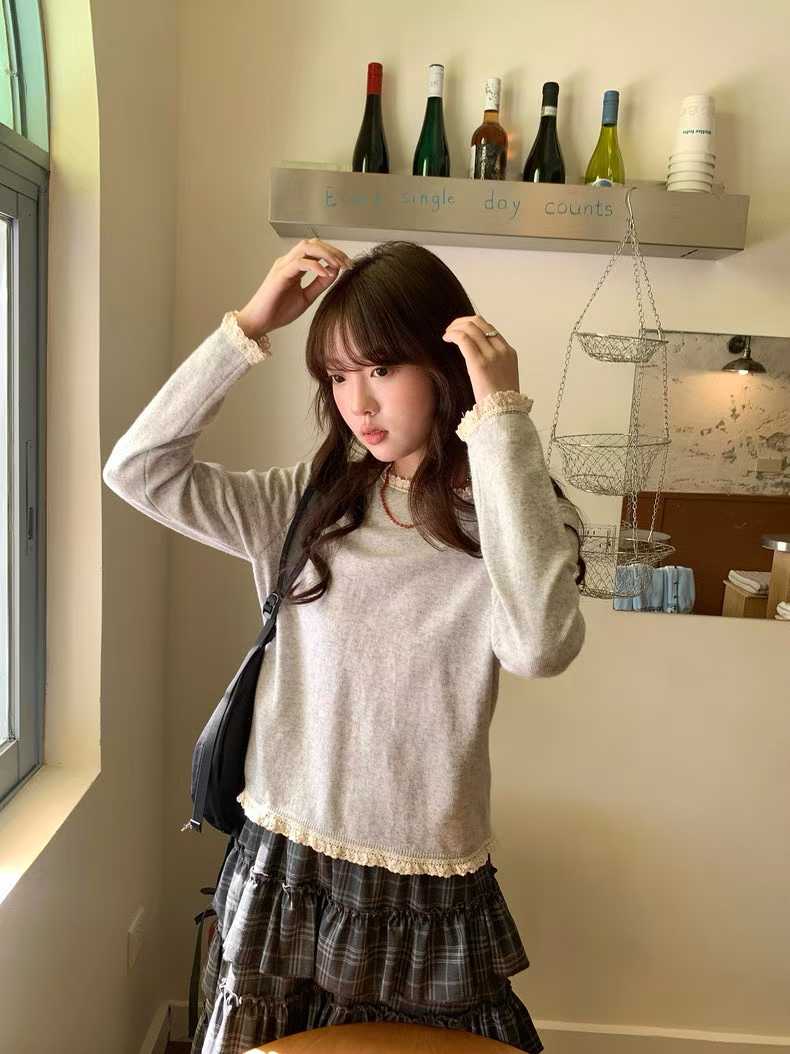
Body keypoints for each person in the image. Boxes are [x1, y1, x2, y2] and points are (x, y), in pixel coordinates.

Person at [102, 237, 588, 1054]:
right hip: (283, 860)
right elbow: (137, 470)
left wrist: (502, 418)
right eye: (337, 375)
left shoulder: (511, 514)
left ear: (444, 362)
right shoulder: (308, 500)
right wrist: (247, 328)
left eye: (382, 369)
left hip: (422, 881)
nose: (358, 403)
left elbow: (540, 646)